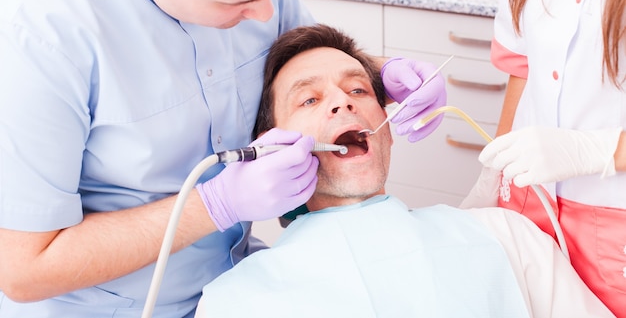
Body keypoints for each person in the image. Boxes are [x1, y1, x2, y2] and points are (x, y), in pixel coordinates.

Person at [0, 0, 447, 317]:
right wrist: (215, 204)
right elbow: (23, 270)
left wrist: (380, 72)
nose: (265, 12)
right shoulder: (37, 32)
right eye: (237, 3)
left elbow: (303, 65)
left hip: (235, 287)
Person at [194, 24, 615, 318]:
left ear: (387, 128)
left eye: (358, 89)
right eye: (309, 100)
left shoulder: (507, 236)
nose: (343, 102)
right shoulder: (234, 301)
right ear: (270, 148)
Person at [473, 0, 626, 315]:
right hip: (527, 202)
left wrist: (598, 151)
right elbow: (522, 63)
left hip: (616, 227)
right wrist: (496, 177)